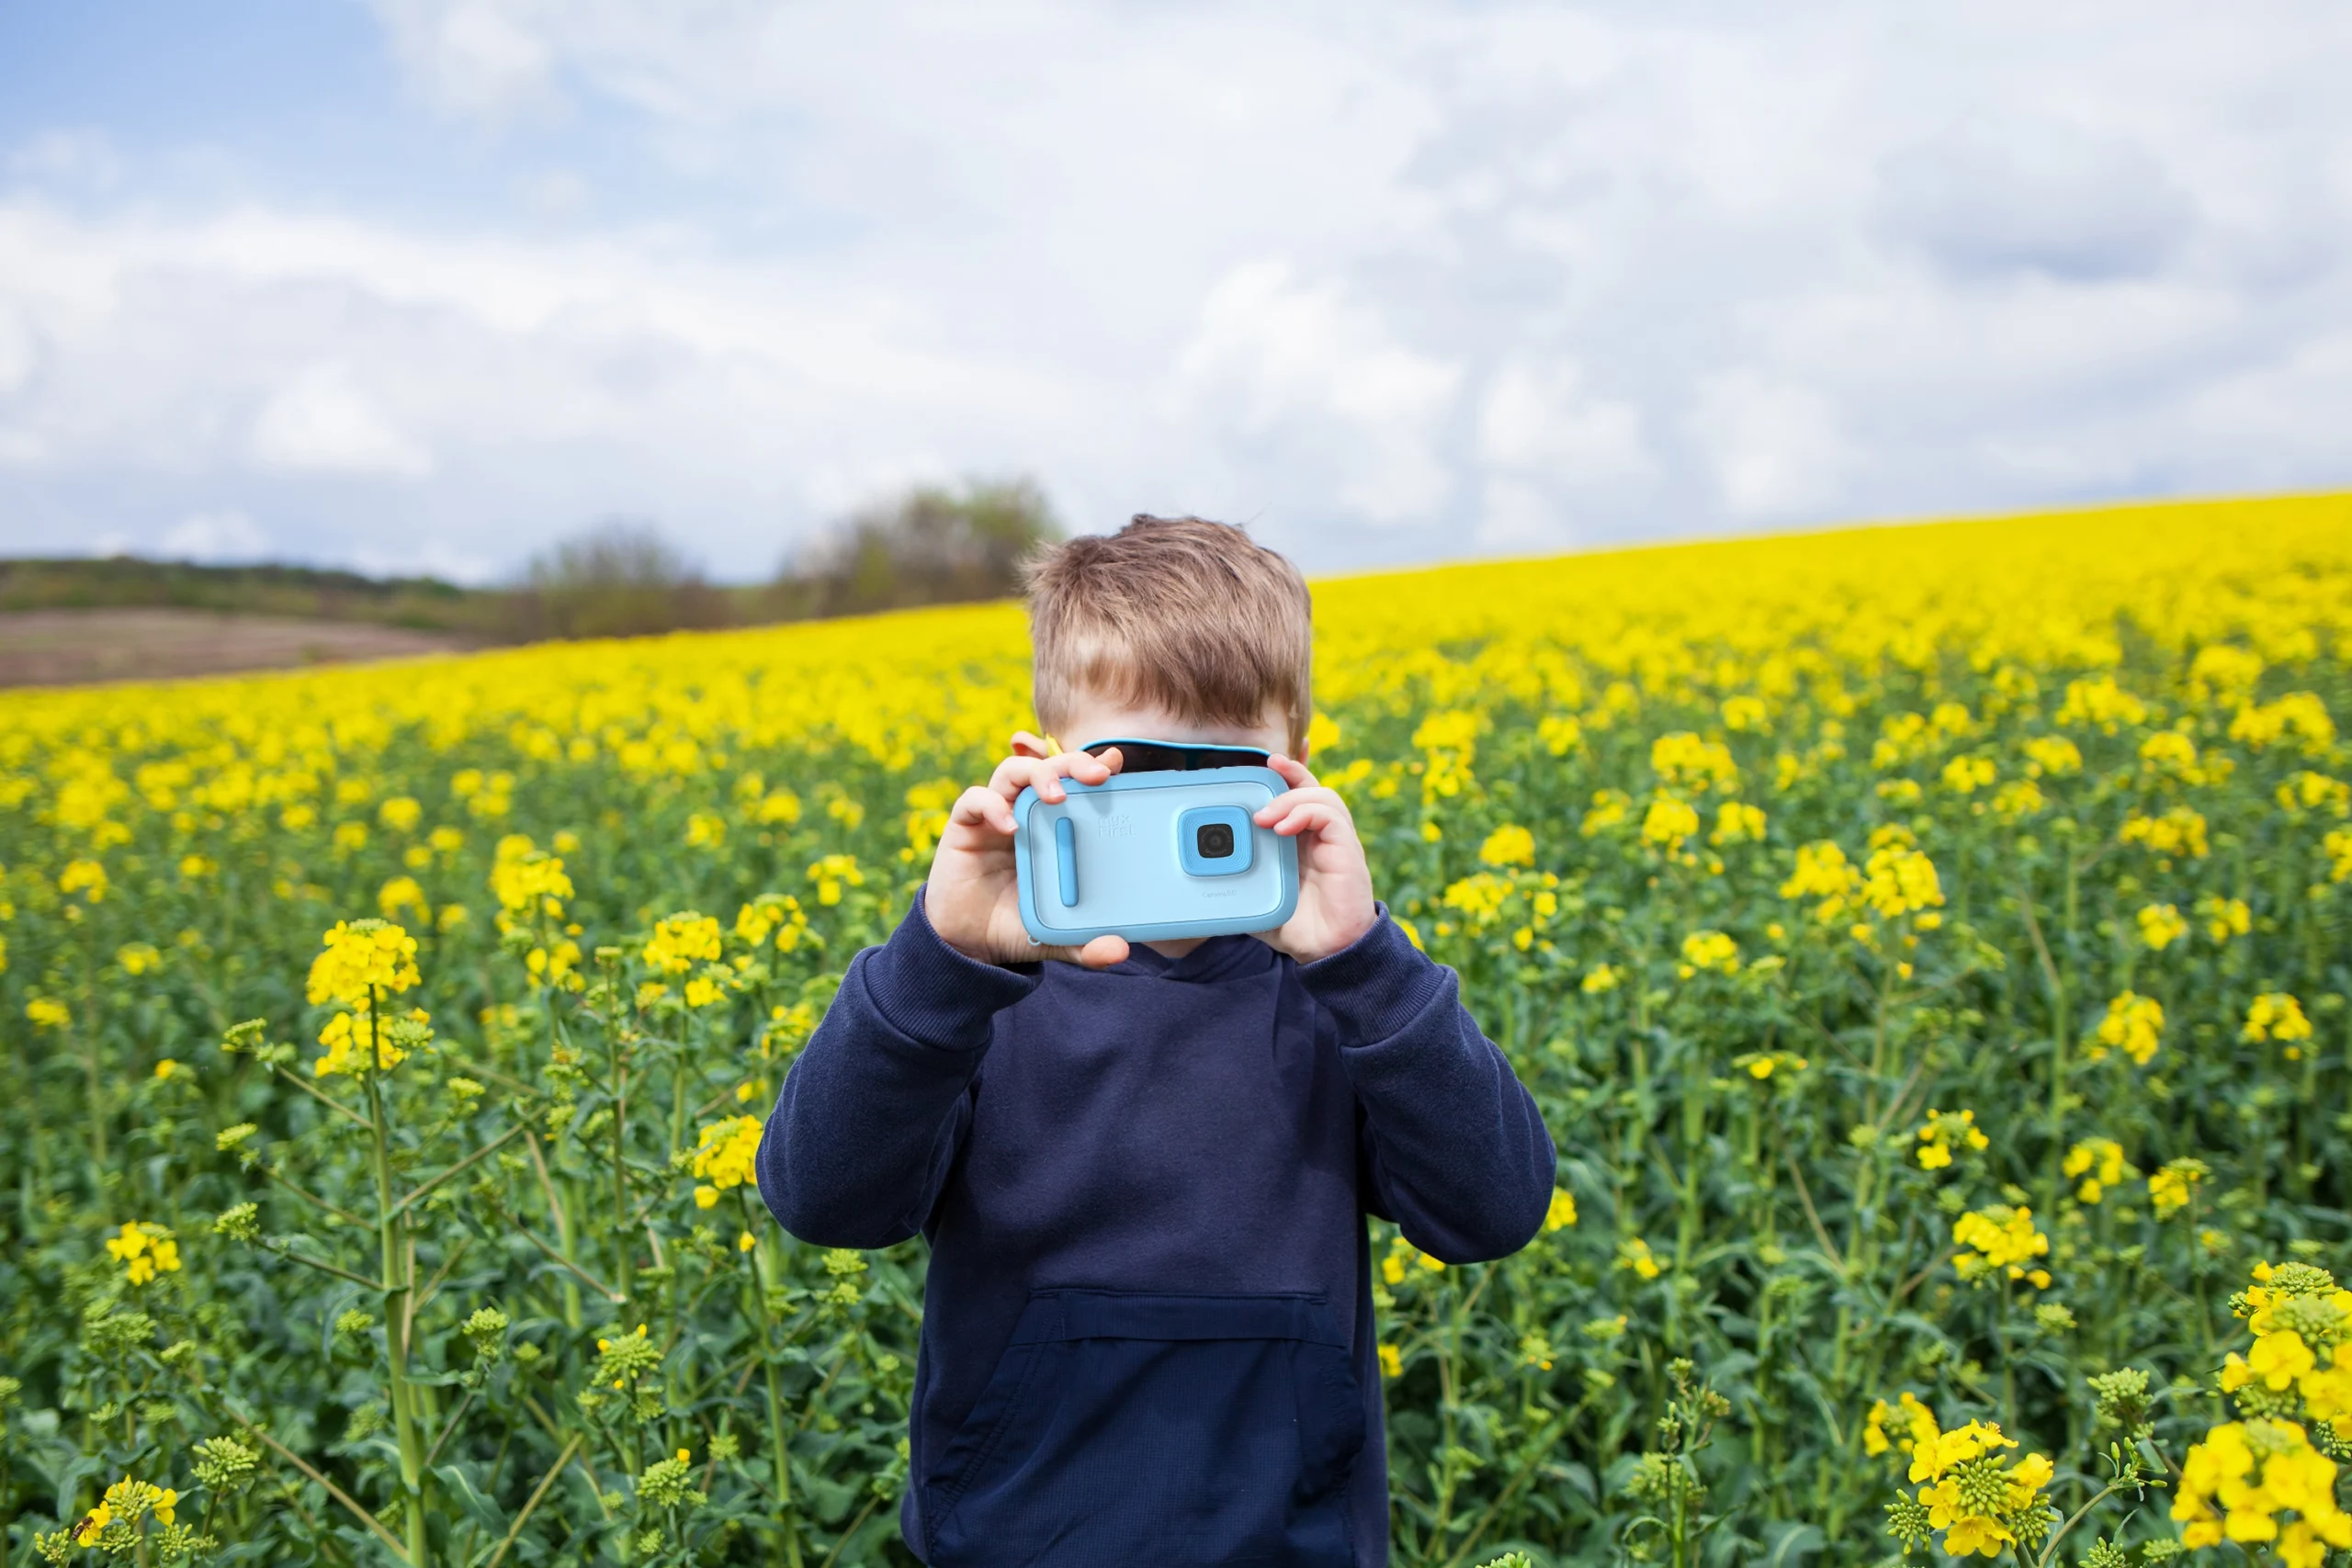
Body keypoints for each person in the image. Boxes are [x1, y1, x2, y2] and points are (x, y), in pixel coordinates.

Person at [758, 514, 1556, 1567]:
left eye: (1216, 771)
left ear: (1299, 768)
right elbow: (823, 1202)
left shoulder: (1340, 989)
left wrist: (1364, 962)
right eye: (1132, 766)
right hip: (1012, 1542)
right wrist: (941, 957)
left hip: (1294, 1543)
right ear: (1044, 761)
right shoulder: (982, 985)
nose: (1173, 803)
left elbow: (1493, 1212)